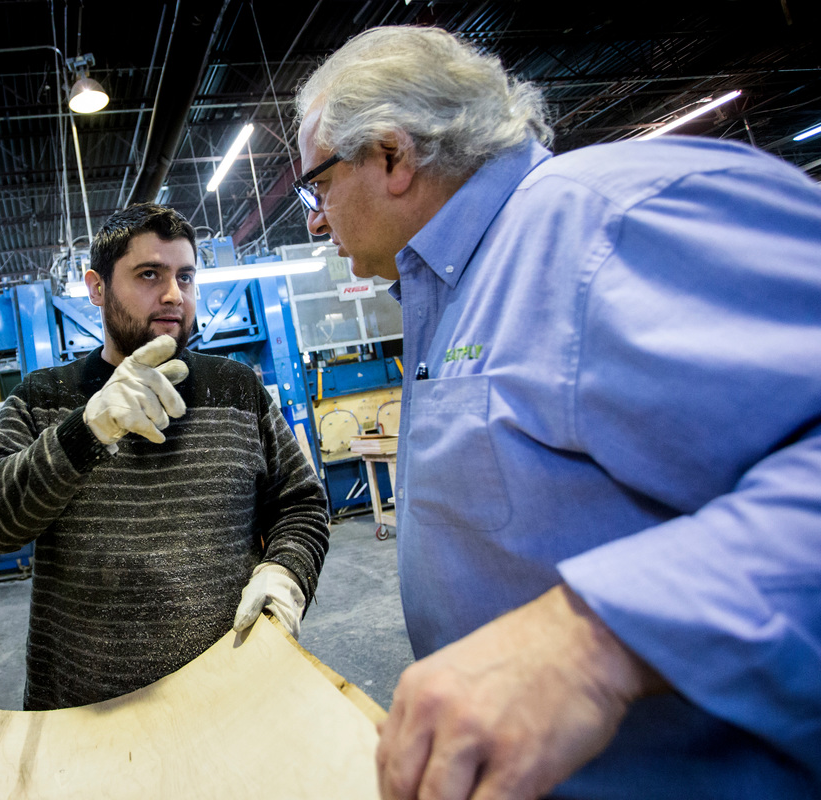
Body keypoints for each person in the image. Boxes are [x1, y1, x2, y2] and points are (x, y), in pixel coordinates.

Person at [293, 24, 821, 800]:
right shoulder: (449, 290)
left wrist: (592, 642)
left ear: (392, 157)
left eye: (318, 185)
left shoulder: (603, 226)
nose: (313, 218)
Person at [0, 203, 329, 711]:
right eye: (150, 274)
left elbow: (302, 504)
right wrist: (83, 431)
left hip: (234, 696)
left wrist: (285, 573)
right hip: (84, 715)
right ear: (96, 288)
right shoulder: (43, 398)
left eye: (186, 276)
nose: (175, 294)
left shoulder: (237, 390)